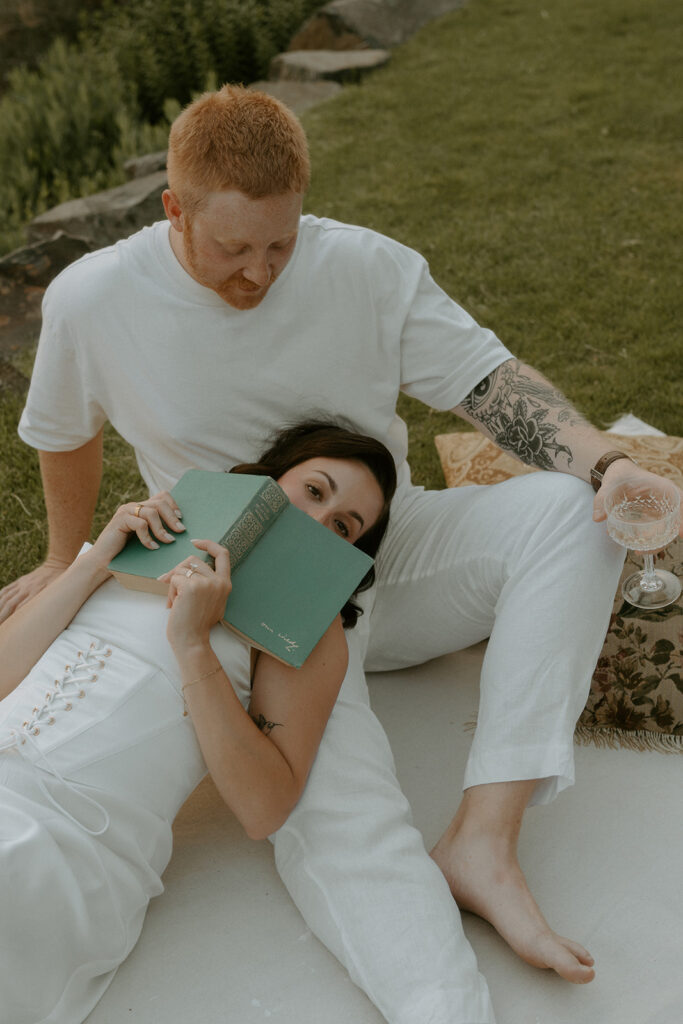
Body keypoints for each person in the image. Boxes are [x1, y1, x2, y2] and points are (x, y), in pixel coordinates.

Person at [2, 84, 680, 1022]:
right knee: (347, 822)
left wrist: (606, 462)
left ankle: (486, 835)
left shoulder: (367, 268)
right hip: (246, 589)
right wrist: (61, 558)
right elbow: (60, 430)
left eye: (279, 243)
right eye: (233, 248)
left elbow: (490, 385)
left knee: (572, 513)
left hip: (386, 550)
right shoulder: (96, 296)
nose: (260, 272)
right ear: (173, 209)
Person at [0, 420, 397, 1024]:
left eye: (343, 527)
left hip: (68, 839)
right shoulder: (152, 534)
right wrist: (93, 563)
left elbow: (265, 806)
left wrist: (193, 644)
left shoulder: (307, 635)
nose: (319, 522)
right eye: (315, 491)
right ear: (270, 480)